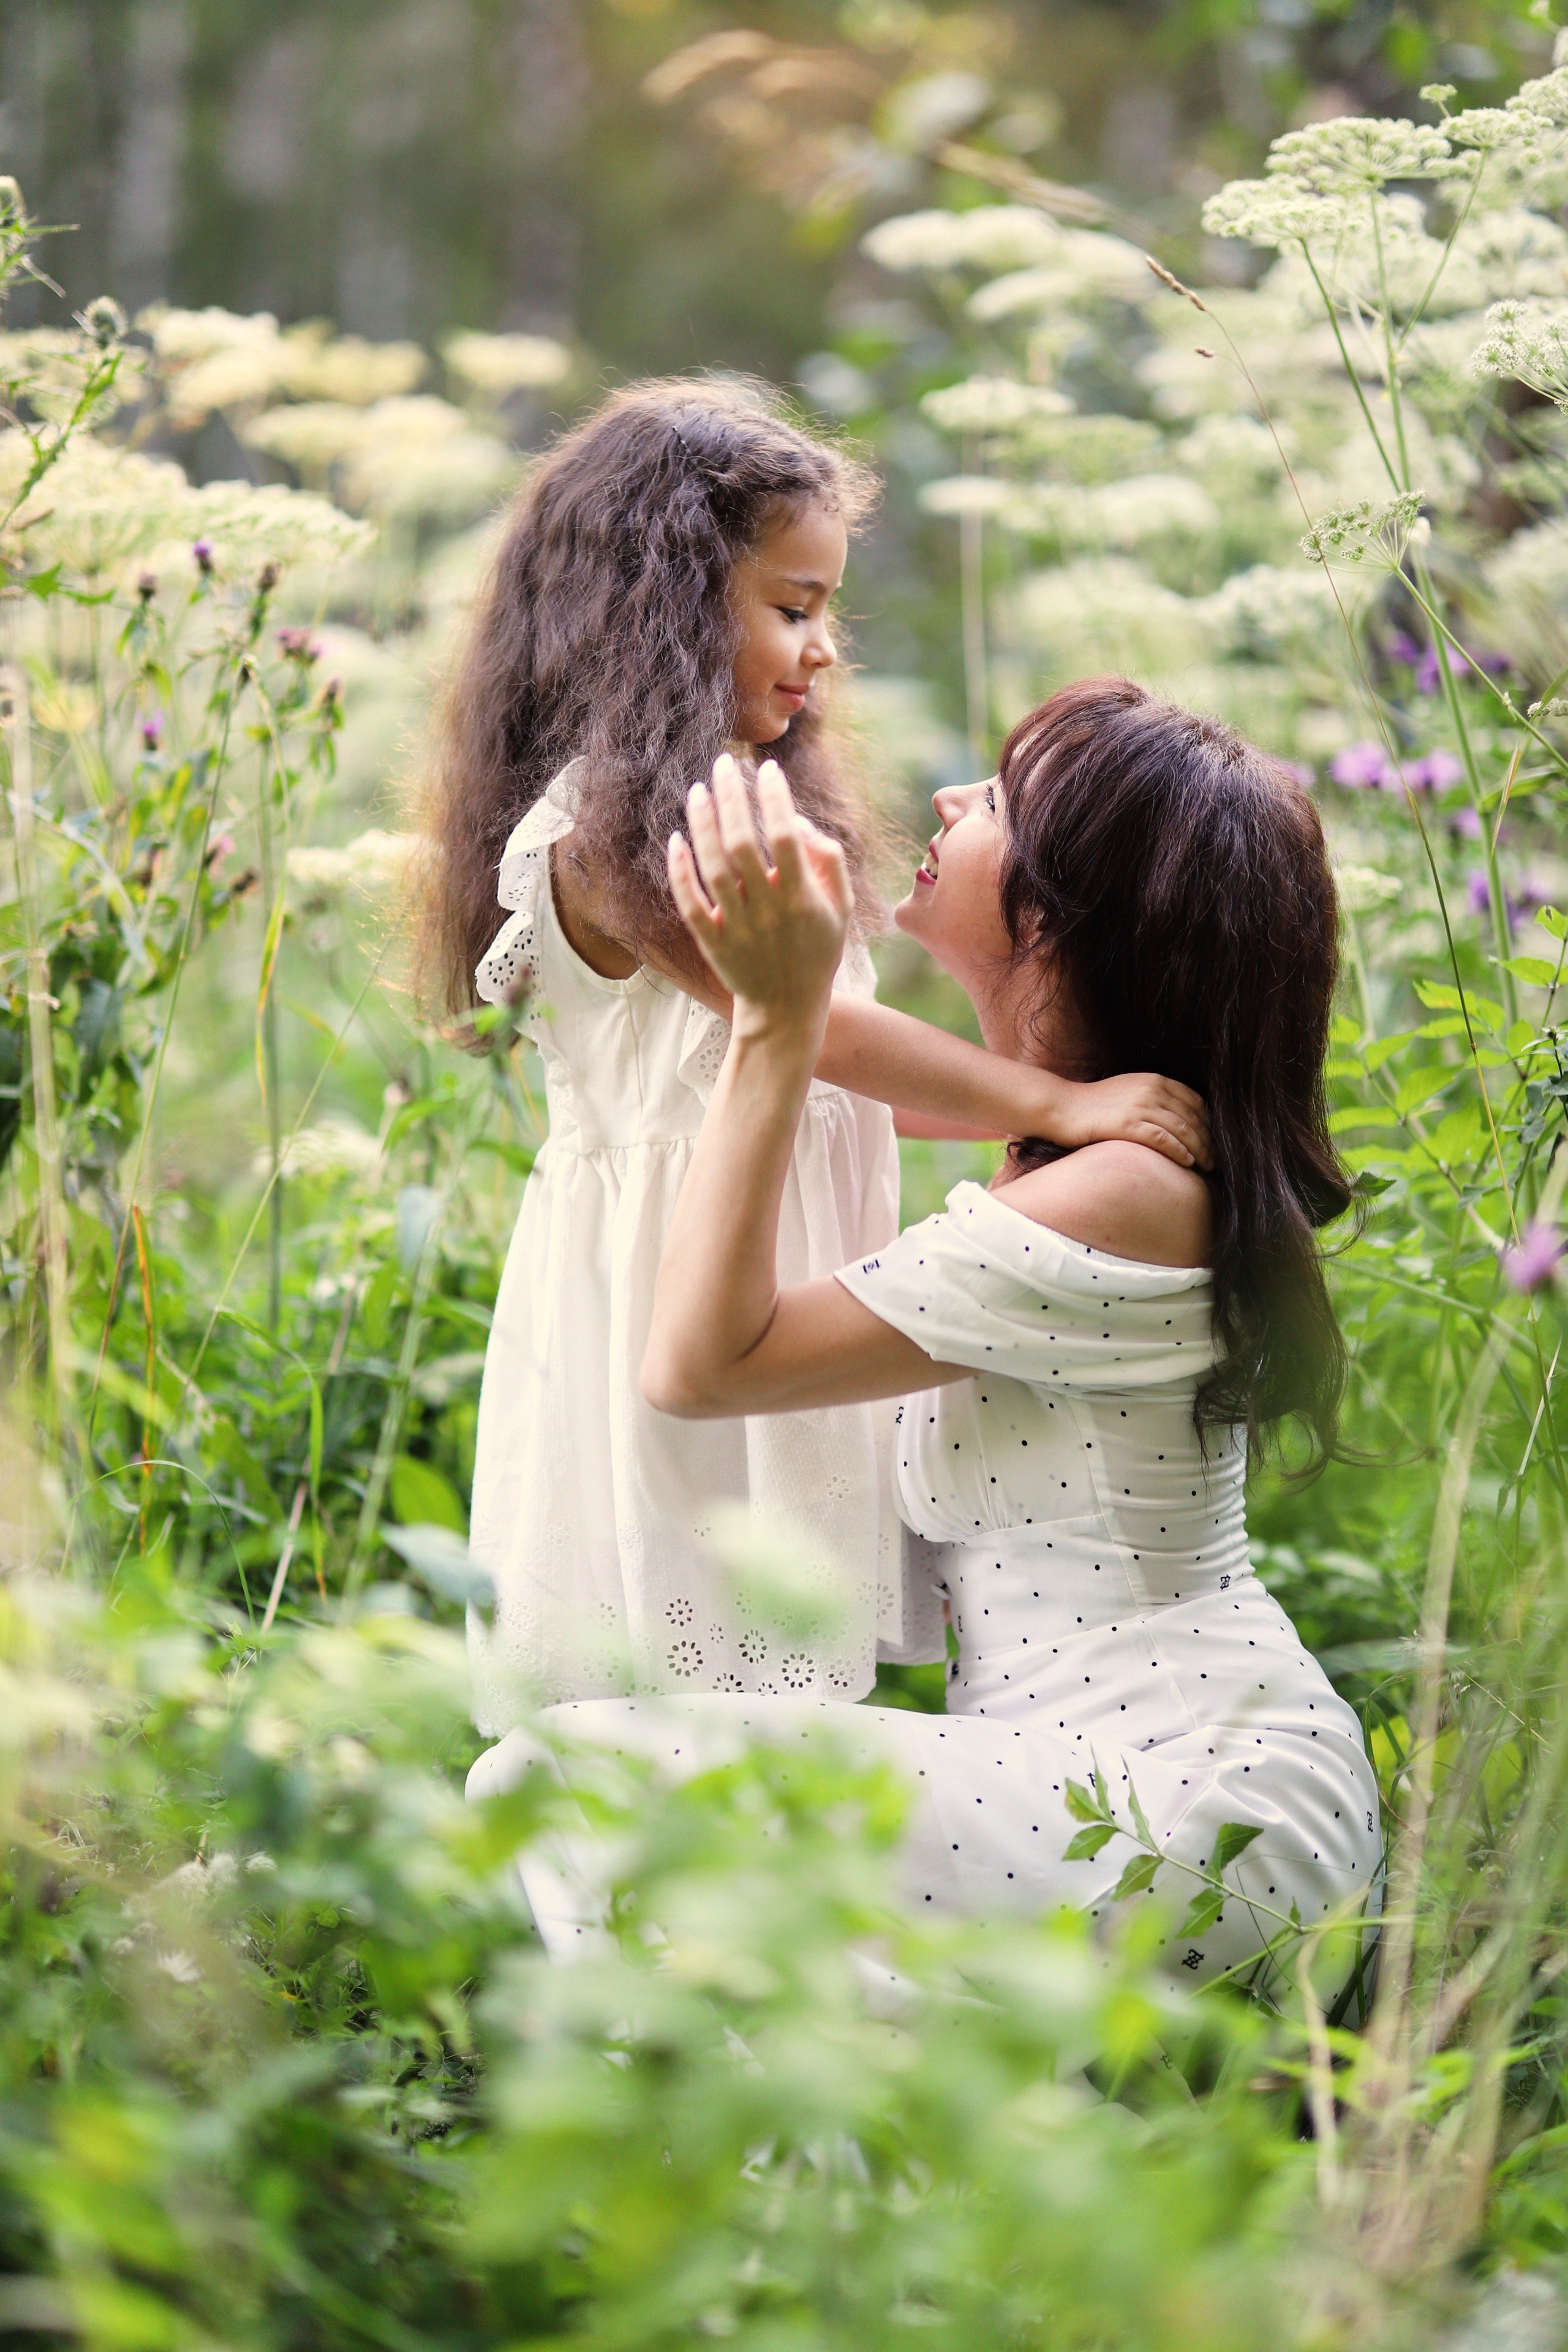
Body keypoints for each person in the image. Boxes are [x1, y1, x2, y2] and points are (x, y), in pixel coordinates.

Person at [469, 678, 1382, 2001]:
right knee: (741, 1924)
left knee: (550, 1783)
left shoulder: (1121, 1195)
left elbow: (700, 1364)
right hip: (1101, 1787)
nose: (951, 799)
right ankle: (858, 2168)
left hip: (1185, 1801)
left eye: (1001, 800)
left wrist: (778, 1017)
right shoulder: (1077, 1164)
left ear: (1066, 924)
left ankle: (764, 2186)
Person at [421, 382, 1210, 1732]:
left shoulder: (744, 804)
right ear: (657, 614)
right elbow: (811, 1035)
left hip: (763, 1283)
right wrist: (1053, 1100)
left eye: (826, 610)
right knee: (679, 1648)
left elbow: (826, 1092)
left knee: (774, 1672)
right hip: (669, 1290)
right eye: (790, 608)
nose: (823, 649)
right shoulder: (600, 844)